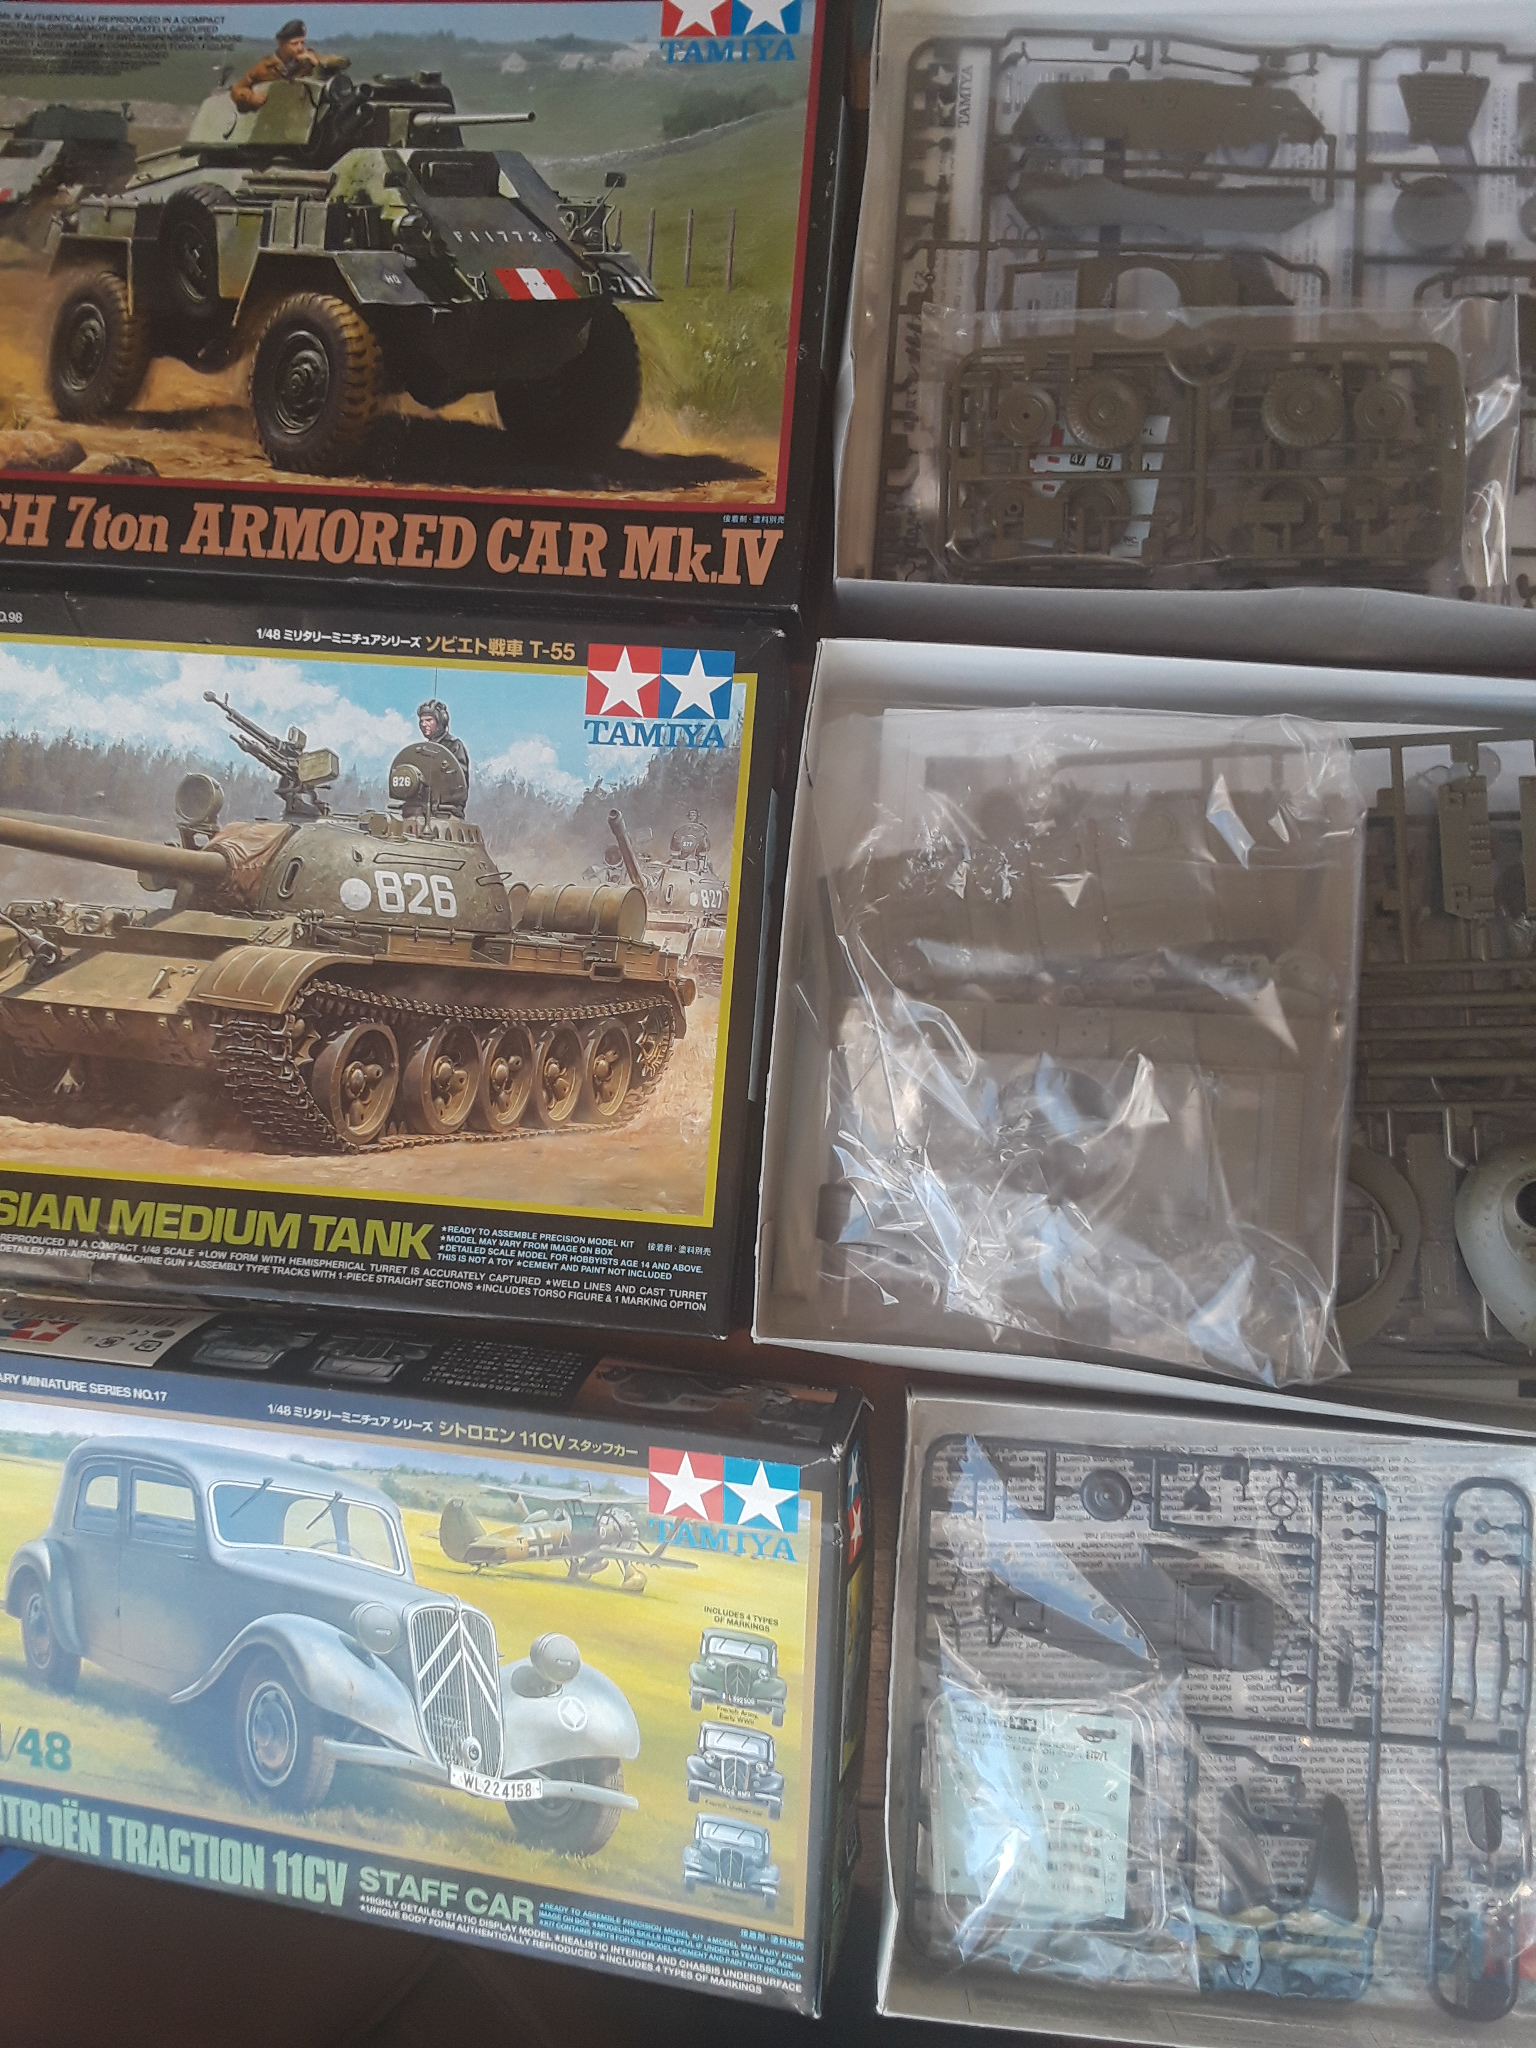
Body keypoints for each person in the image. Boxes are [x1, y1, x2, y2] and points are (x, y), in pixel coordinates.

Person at [231, 20, 350, 112]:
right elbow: (237, 89)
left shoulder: (308, 59)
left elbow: (343, 62)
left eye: (302, 42)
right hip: (273, 117)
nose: (300, 47)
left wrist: (317, 63)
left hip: (302, 115)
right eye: (294, 43)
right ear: (282, 43)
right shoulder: (266, 67)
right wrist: (250, 98)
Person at [417, 698, 471, 812]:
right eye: (421, 721)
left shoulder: (453, 746)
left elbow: (459, 782)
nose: (423, 724)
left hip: (446, 809)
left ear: (441, 721)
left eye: (428, 720)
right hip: (421, 809)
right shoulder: (421, 750)